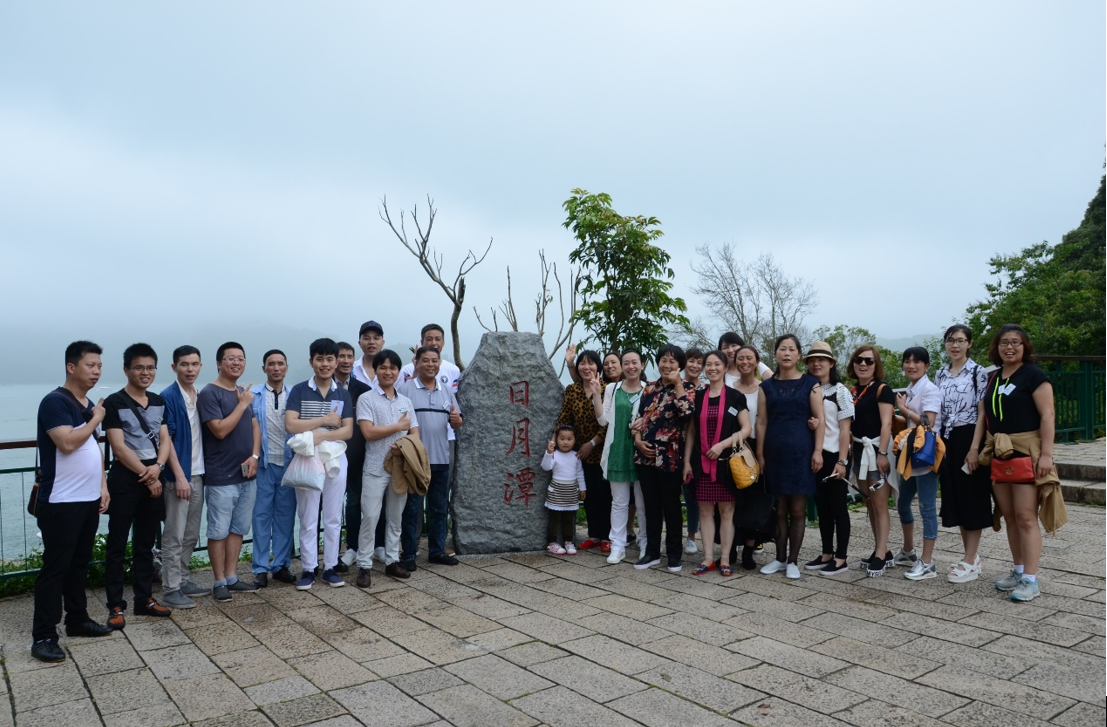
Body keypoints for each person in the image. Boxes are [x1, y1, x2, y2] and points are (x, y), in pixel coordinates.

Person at [31, 341, 112, 663]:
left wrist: (103, 486)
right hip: (61, 499)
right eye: (90, 365)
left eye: (99, 366)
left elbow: (92, 449)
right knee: (56, 567)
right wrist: (96, 418)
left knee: (79, 563)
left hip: (88, 497)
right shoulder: (55, 402)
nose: (96, 371)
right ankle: (44, 635)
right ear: (71, 367)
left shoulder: (87, 403)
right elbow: (66, 443)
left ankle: (77, 619)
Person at [102, 343, 182, 628]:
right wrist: (149, 475)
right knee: (117, 543)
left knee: (146, 544)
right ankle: (115, 605)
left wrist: (158, 468)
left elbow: (165, 439)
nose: (145, 372)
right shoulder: (114, 402)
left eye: (150, 368)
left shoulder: (158, 401)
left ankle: (144, 599)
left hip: (154, 475)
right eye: (139, 367)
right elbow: (119, 448)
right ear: (127, 370)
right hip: (126, 479)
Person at [977, 324, 1056, 602]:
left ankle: (1031, 579)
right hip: (1000, 453)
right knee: (1009, 515)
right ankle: (1019, 569)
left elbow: (1048, 415)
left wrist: (1046, 455)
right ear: (996, 347)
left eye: (1015, 342)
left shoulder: (1034, 375)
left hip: (1025, 451)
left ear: (1025, 346)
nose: (1009, 347)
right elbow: (985, 414)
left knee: (1025, 516)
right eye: (1004, 342)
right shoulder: (994, 377)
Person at [285, 338, 355, 590]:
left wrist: (319, 434)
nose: (325, 364)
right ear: (311, 361)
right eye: (320, 359)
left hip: (336, 457)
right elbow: (290, 424)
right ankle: (308, 568)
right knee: (308, 515)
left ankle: (330, 567)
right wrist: (324, 421)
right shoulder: (299, 390)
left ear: (336, 362)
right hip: (307, 457)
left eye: (329, 359)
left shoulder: (342, 393)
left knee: (334, 515)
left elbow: (347, 431)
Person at [756, 335, 824, 580]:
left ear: (798, 355)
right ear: (775, 353)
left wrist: (818, 451)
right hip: (774, 453)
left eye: (791, 349)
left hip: (801, 453)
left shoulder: (811, 384)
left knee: (797, 510)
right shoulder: (766, 387)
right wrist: (760, 454)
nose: (786, 353)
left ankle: (793, 560)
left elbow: (820, 419)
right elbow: (761, 422)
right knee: (779, 509)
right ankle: (780, 558)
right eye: (782, 349)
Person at [199, 342, 261, 602]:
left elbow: (255, 426)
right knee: (218, 529)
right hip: (221, 475)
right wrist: (242, 404)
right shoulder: (209, 393)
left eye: (241, 359)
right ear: (219, 363)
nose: (236, 363)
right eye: (231, 358)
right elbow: (220, 430)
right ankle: (218, 581)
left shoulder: (240, 392)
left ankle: (232, 576)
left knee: (238, 528)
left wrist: (255, 456)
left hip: (247, 473)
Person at [682, 350, 750, 577]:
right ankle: (708, 558)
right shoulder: (698, 396)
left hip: (726, 463)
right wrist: (687, 461)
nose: (712, 368)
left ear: (725, 367)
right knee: (704, 511)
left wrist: (722, 445)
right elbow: (691, 432)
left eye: (717, 364)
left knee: (727, 511)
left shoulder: (735, 396)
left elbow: (746, 429)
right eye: (708, 364)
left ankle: (726, 559)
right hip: (701, 462)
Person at [356, 350, 420, 585]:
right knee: (370, 516)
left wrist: (404, 447)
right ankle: (364, 565)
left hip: (400, 469)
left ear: (398, 371)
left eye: (393, 367)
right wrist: (397, 427)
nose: (388, 372)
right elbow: (368, 432)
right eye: (382, 367)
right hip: (375, 467)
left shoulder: (406, 402)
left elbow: (415, 434)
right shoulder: (366, 399)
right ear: (375, 370)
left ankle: (392, 561)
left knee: (395, 517)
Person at [935, 325, 992, 583]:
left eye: (960, 340)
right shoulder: (941, 374)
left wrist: (974, 448)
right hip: (948, 438)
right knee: (956, 496)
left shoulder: (978, 372)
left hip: (970, 435)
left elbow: (982, 412)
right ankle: (971, 557)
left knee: (972, 495)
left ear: (969, 343)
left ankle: (970, 559)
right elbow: (937, 410)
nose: (955, 345)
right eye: (950, 340)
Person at [398, 345, 463, 570]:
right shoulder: (406, 389)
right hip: (415, 461)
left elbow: (456, 421)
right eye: (425, 360)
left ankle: (436, 551)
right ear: (416, 363)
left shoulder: (446, 390)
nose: (430, 365)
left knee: (439, 507)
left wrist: (457, 421)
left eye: (434, 360)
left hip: (441, 458)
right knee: (412, 509)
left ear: (439, 363)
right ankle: (409, 554)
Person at [632, 344, 695, 572]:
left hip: (670, 456)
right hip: (645, 455)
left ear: (680, 365)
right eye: (663, 360)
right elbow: (639, 419)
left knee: (671, 506)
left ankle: (674, 555)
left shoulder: (687, 387)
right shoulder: (649, 388)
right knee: (651, 505)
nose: (667, 365)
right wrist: (637, 440)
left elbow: (687, 412)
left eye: (672, 361)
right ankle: (651, 552)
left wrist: (677, 384)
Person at [160, 345, 211, 608]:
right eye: (184, 364)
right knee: (174, 535)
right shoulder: (168, 397)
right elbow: (166, 439)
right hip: (177, 476)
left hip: (198, 473)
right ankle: (170, 589)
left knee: (191, 534)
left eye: (194, 364)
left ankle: (182, 579)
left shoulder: (198, 395)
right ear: (174, 367)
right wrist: (180, 476)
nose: (190, 369)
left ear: (200, 366)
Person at [802, 341, 854, 577]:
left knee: (838, 507)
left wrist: (842, 461)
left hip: (835, 455)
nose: (816, 364)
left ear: (831, 363)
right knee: (822, 506)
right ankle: (826, 553)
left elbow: (845, 429)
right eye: (812, 360)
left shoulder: (840, 392)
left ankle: (841, 558)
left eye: (821, 359)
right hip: (815, 455)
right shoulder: (808, 390)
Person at [846, 345, 897, 577]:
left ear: (876, 365)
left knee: (879, 503)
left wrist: (883, 453)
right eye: (859, 360)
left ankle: (881, 554)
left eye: (869, 360)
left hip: (876, 451)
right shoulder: (853, 390)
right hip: (859, 452)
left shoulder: (882, 390)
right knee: (869, 502)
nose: (863, 364)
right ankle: (882, 549)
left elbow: (887, 423)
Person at [894, 347, 944, 580]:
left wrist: (903, 409)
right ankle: (908, 551)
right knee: (902, 503)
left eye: (916, 362)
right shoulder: (912, 389)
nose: (911, 366)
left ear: (926, 366)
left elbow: (928, 422)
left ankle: (927, 562)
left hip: (926, 456)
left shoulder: (930, 389)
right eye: (907, 361)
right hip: (911, 455)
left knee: (927, 508)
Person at [555, 349, 611, 552]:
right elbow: (564, 418)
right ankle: (594, 535)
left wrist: (593, 443)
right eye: (582, 363)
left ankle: (607, 537)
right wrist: (554, 442)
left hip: (603, 451)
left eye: (591, 363)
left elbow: (610, 422)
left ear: (598, 367)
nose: (586, 367)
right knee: (588, 495)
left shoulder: (607, 389)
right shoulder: (572, 390)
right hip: (580, 454)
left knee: (605, 495)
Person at [249, 349, 297, 588]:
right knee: (260, 517)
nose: (276, 368)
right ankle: (260, 568)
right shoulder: (253, 396)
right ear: (264, 368)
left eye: (280, 363)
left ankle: (280, 565)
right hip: (264, 465)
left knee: (285, 518)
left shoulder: (294, 395)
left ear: (286, 367)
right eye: (271, 364)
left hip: (290, 465)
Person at [596, 348, 647, 565]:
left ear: (642, 365)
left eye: (635, 362)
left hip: (641, 450)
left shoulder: (649, 389)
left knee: (643, 503)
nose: (631, 366)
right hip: (617, 449)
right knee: (619, 502)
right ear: (622, 366)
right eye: (626, 363)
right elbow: (602, 420)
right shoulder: (612, 388)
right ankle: (617, 545)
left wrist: (644, 422)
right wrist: (595, 394)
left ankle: (645, 544)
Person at [337, 341, 372, 572]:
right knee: (325, 507)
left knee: (355, 501)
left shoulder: (363, 390)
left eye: (350, 356)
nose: (346, 361)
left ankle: (353, 547)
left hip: (357, 454)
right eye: (341, 356)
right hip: (328, 456)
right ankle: (322, 556)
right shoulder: (323, 387)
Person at [733, 344, 768, 569]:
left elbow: (762, 422)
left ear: (757, 362)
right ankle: (729, 549)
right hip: (732, 447)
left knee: (755, 501)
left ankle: (749, 550)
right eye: (740, 358)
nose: (744, 362)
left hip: (756, 445)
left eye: (749, 358)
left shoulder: (763, 388)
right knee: (732, 500)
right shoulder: (729, 387)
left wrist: (761, 454)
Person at [542, 425, 588, 554]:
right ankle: (552, 543)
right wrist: (549, 453)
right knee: (554, 519)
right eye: (562, 439)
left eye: (569, 439)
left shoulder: (576, 456)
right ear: (556, 440)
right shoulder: (554, 455)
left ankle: (569, 542)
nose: (565, 442)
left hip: (571, 492)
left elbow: (579, 473)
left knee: (569, 519)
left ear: (575, 440)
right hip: (557, 491)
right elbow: (546, 467)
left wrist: (582, 489)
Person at [680, 348, 705, 556]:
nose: (695, 366)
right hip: (672, 445)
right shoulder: (675, 384)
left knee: (693, 495)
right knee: (670, 493)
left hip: (698, 448)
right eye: (691, 361)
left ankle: (691, 536)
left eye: (699, 362)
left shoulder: (706, 389)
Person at [399, 323, 462, 391]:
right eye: (429, 339)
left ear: (443, 343)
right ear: (422, 342)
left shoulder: (453, 370)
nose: (434, 343)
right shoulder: (407, 370)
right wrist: (416, 371)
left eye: (438, 339)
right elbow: (401, 394)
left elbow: (454, 396)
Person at [352, 320, 385, 386]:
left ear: (383, 343)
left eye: (376, 338)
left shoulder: (392, 372)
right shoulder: (351, 369)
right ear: (359, 343)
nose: (371, 342)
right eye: (366, 338)